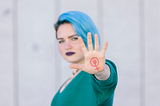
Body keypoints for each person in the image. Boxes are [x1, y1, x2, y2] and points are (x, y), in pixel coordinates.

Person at [51, 11, 118, 106]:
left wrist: (100, 71)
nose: (67, 46)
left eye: (74, 38)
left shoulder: (93, 75)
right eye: (61, 41)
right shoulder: (70, 81)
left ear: (88, 37)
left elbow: (106, 80)